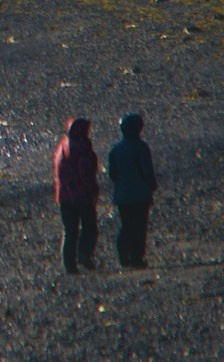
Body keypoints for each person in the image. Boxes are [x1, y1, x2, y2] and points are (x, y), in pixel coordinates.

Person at [107, 112, 157, 268]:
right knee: (139, 227)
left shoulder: (115, 149)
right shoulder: (141, 147)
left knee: (127, 226)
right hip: (140, 195)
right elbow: (147, 171)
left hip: (122, 195)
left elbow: (113, 174)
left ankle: (123, 255)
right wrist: (152, 184)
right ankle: (136, 258)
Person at [53, 115, 100, 273]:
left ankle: (69, 264)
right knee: (89, 227)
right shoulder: (83, 147)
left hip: (64, 195)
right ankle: (84, 255)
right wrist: (93, 190)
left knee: (70, 231)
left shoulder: (63, 145)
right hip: (81, 195)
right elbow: (86, 172)